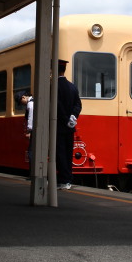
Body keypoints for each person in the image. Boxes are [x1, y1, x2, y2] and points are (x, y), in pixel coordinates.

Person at [56, 59, 82, 189]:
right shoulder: (73, 87)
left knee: (59, 153)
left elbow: (57, 106)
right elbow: (78, 104)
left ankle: (63, 179)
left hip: (59, 127)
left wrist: (66, 119)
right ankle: (68, 179)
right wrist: (73, 117)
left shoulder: (53, 86)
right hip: (71, 127)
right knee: (68, 152)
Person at [15, 90, 34, 163]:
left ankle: (33, 171)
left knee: (31, 152)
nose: (22, 104)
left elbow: (30, 117)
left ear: (23, 97)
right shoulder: (33, 101)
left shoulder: (30, 104)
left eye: (21, 102)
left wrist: (29, 131)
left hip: (33, 131)